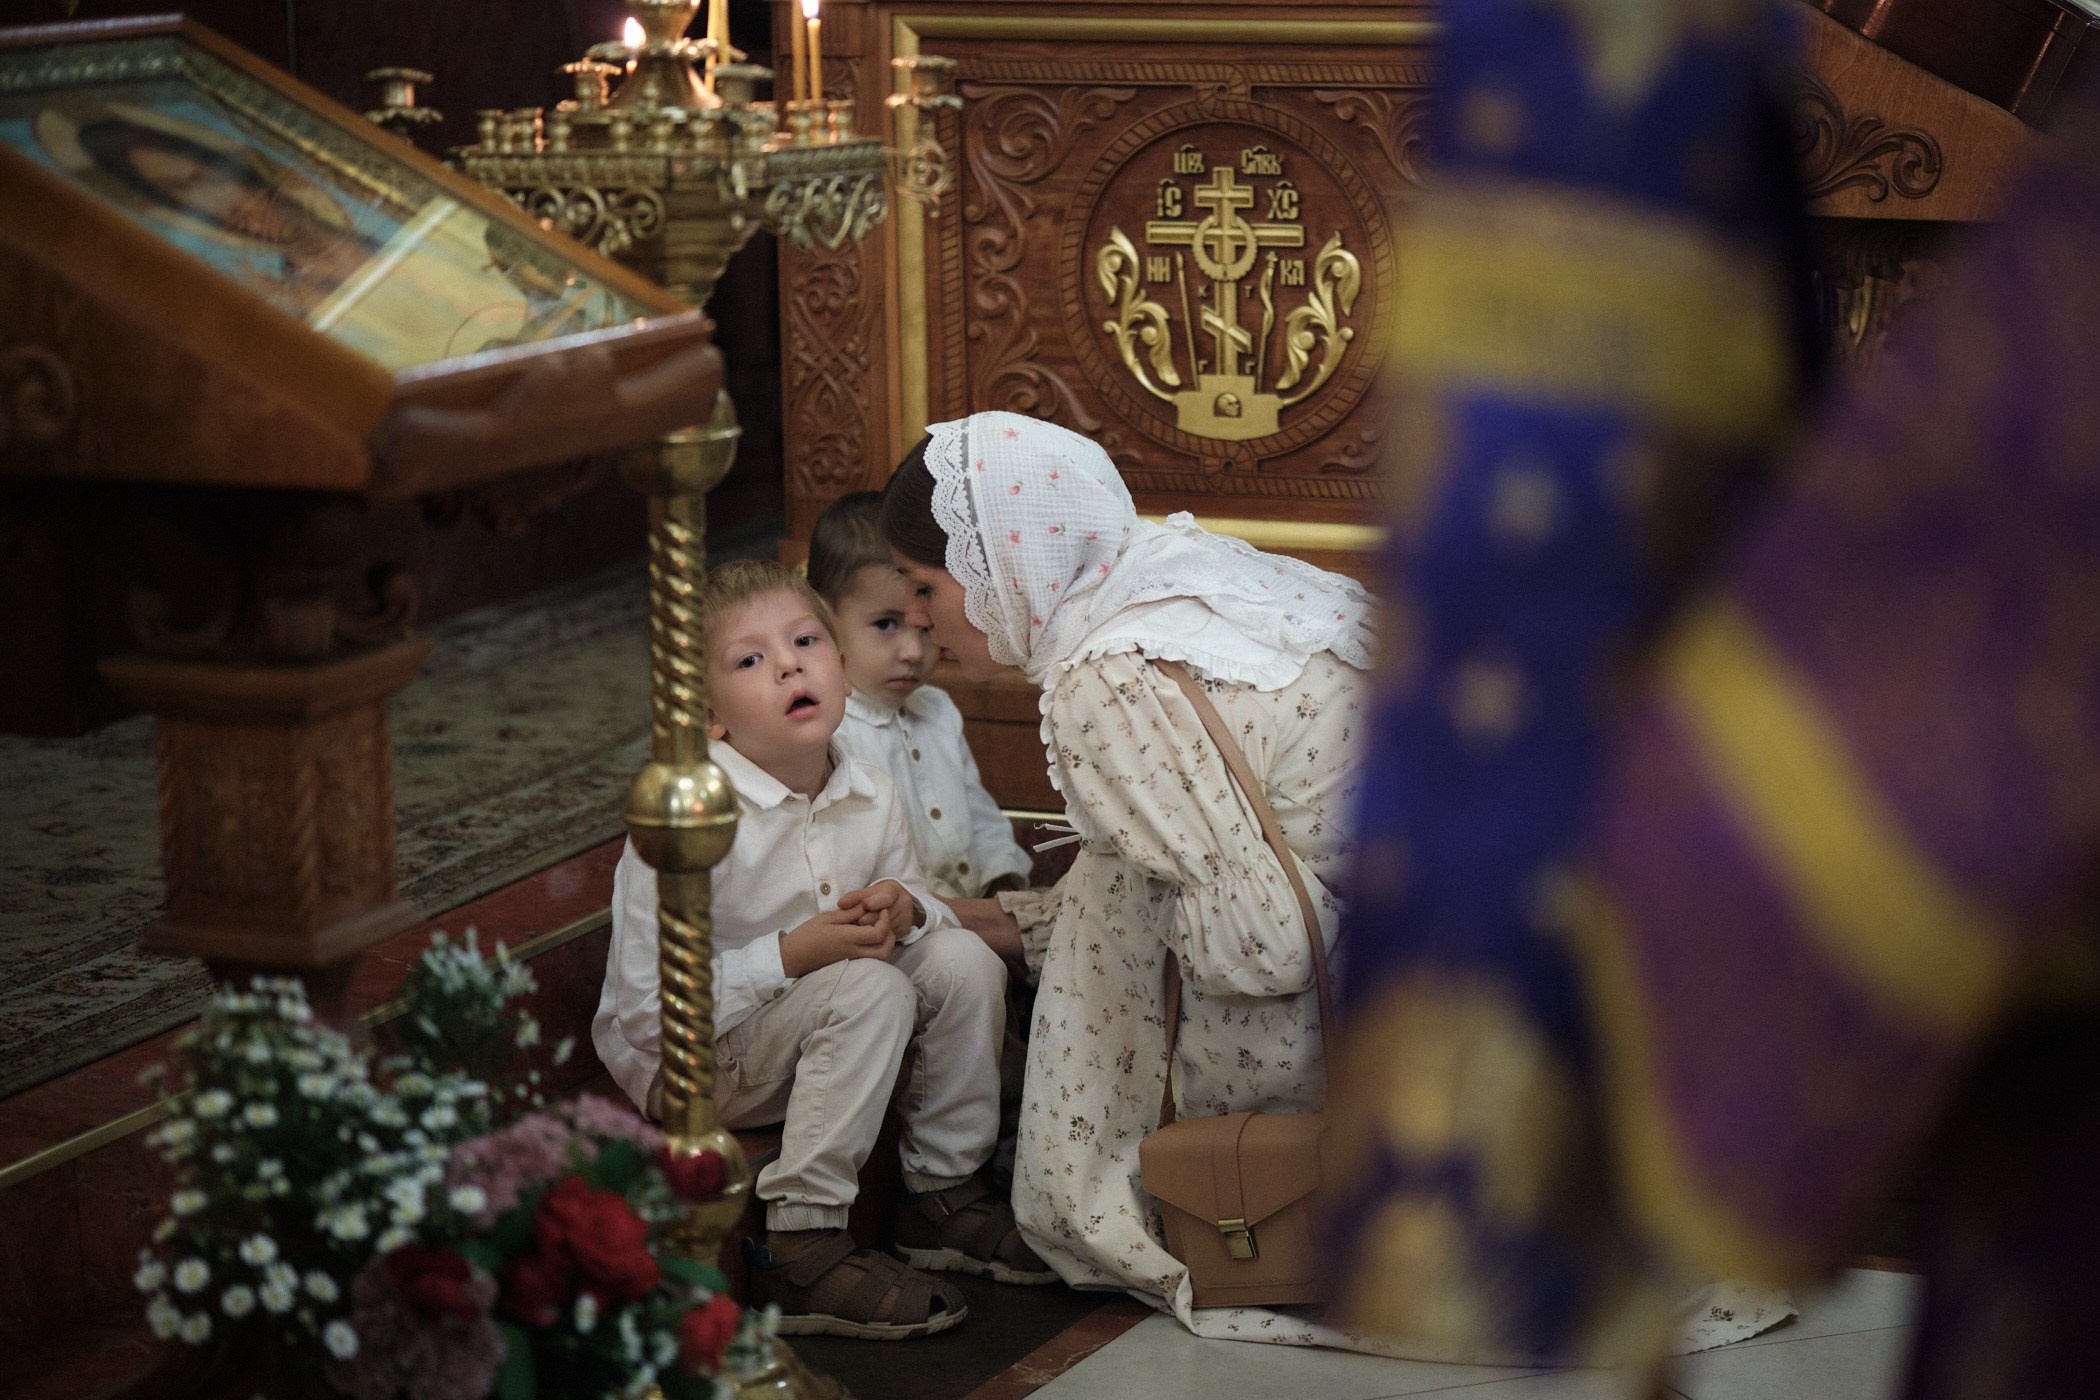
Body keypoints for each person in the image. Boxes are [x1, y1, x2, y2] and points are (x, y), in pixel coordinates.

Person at [877, 411, 1377, 1345]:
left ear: (1002, 563)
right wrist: (973, 921)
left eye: (924, 584)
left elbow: (1262, 949)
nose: (918, 618)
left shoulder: (1104, 678)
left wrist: (1200, 1168)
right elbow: (1157, 870)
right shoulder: (1174, 574)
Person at [590, 560, 1052, 1342]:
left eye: (805, 642)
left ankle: (940, 1194)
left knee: (964, 959)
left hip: (831, 1033)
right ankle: (799, 1242)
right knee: (869, 989)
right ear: (708, 717)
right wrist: (789, 954)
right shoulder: (691, 820)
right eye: (750, 659)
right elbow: (646, 1017)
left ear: (840, 665)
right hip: (700, 1067)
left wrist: (907, 910)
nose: (789, 666)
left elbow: (915, 915)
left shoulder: (868, 789)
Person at [806, 491, 1035, 909]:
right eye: (886, 624)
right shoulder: (828, 732)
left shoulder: (938, 709)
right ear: (821, 618)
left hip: (971, 904)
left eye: (925, 628)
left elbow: (980, 817)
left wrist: (1001, 879)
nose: (913, 651)